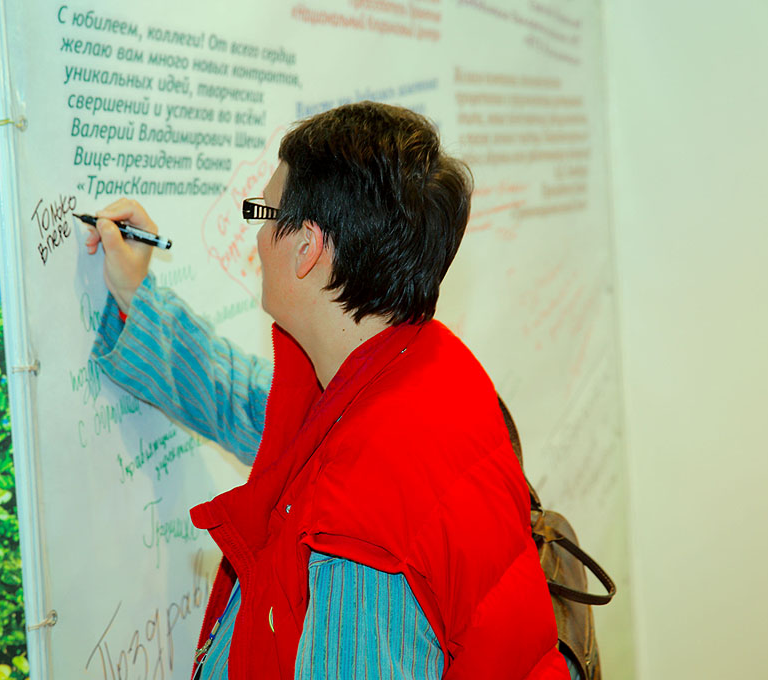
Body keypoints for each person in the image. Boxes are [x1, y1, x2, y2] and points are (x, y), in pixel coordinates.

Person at [86, 102, 573, 679]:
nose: (257, 238)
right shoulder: (423, 367)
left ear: (307, 247)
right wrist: (136, 296)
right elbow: (253, 408)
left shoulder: (358, 527)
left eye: (265, 214)